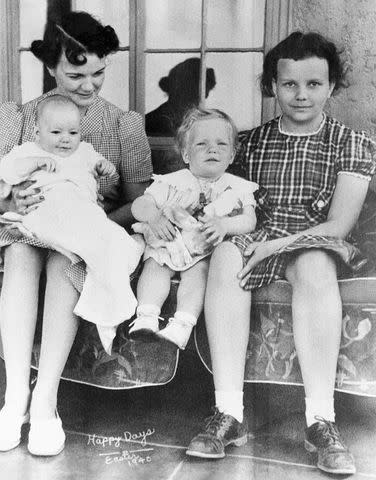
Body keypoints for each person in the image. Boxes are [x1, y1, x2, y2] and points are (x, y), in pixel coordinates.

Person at [186, 32, 376, 476]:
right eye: (290, 84)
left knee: (312, 263)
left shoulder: (350, 143)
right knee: (227, 257)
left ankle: (320, 420)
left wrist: (276, 244)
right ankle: (228, 412)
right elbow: (225, 198)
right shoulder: (250, 143)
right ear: (273, 85)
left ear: (332, 86)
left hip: (316, 239)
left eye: (314, 84)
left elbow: (338, 225)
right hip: (257, 233)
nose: (301, 94)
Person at [0, 11, 152, 456]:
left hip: (88, 231)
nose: (88, 85)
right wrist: (10, 204)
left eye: (98, 72)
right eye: (75, 73)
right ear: (50, 66)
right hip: (27, 226)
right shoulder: (18, 118)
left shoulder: (125, 125)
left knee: (66, 259)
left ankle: (45, 401)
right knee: (23, 257)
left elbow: (138, 204)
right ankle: (14, 400)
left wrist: (94, 223)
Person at [0, 94, 144, 354]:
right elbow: (7, 171)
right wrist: (33, 163)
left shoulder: (85, 151)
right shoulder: (28, 151)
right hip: (44, 210)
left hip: (81, 215)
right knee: (91, 246)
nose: (65, 138)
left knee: (114, 242)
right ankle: (108, 310)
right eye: (56, 132)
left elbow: (107, 173)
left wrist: (106, 168)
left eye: (73, 132)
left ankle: (106, 306)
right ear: (36, 132)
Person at [130, 108, 258, 349]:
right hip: (168, 243)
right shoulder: (171, 181)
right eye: (202, 144)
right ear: (186, 154)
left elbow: (249, 220)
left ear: (232, 155)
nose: (213, 149)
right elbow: (140, 204)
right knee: (154, 266)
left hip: (203, 249)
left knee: (199, 275)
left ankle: (182, 325)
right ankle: (146, 316)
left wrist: (225, 225)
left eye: (222, 144)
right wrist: (155, 217)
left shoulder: (238, 188)